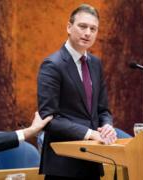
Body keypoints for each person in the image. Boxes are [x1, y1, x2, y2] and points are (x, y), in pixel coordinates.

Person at [37, 4, 117, 180]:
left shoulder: (96, 64)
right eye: (82, 26)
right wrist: (90, 134)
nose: (88, 33)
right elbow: (49, 119)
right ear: (68, 27)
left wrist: (107, 126)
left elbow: (103, 110)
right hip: (63, 165)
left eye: (93, 29)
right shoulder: (52, 65)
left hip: (93, 160)